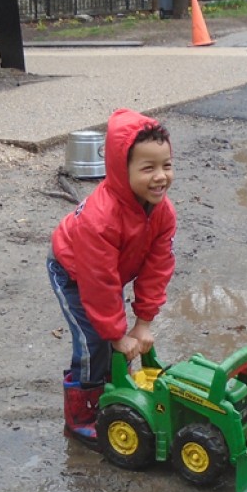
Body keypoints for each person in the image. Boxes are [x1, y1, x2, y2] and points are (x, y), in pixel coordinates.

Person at [48, 108, 177, 448]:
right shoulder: (100, 219)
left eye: (166, 165)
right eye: (148, 168)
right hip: (74, 272)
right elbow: (98, 282)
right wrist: (117, 333)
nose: (160, 176)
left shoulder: (162, 211)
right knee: (94, 340)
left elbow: (158, 265)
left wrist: (144, 321)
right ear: (122, 169)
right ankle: (82, 416)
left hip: (107, 274)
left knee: (112, 334)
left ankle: (112, 384)